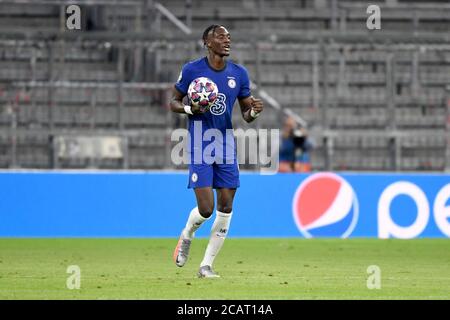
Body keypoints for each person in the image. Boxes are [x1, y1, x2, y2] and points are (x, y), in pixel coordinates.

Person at [169, 25, 264, 278]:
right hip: (200, 142)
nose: (226, 40)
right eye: (220, 36)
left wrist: (253, 111)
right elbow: (173, 102)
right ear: (207, 42)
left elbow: (246, 114)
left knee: (226, 205)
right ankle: (187, 234)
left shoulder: (239, 74)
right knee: (206, 209)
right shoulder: (192, 70)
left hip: (225, 143)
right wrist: (190, 110)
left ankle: (206, 265)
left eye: (229, 37)